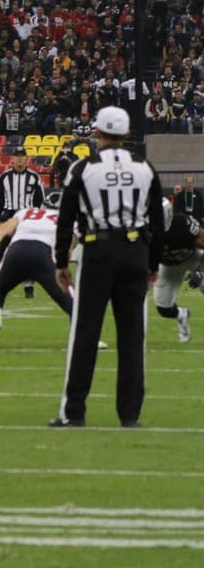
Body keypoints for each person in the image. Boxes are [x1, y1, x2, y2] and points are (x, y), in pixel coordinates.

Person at [52, 106, 164, 428]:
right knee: (132, 337)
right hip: (135, 252)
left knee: (85, 332)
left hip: (98, 250)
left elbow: (65, 218)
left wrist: (61, 261)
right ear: (127, 135)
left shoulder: (82, 167)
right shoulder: (146, 167)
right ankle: (130, 415)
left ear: (97, 133)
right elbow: (157, 222)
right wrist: (152, 262)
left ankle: (74, 412)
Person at [0, 191, 75, 344]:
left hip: (17, 251)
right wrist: (63, 267)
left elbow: (0, 230)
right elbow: (67, 247)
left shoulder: (26, 212)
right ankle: (86, 337)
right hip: (43, 254)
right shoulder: (68, 220)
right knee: (69, 298)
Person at [151, 196, 204, 343]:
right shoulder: (143, 230)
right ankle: (182, 315)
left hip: (193, 258)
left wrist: (199, 270)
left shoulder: (182, 224)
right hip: (168, 266)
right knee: (164, 309)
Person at [0, 145, 45, 298]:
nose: (20, 158)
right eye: (17, 156)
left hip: (27, 218)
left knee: (29, 253)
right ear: (12, 159)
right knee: (1, 251)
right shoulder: (4, 177)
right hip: (9, 216)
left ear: (27, 158)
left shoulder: (34, 177)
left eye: (22, 155)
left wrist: (37, 218)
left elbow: (40, 200)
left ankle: (28, 287)